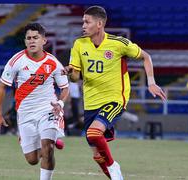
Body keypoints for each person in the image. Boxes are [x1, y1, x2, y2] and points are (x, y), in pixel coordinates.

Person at [64, 6, 167, 180]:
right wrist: (69, 72)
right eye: (83, 21)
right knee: (97, 153)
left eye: (86, 22)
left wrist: (151, 82)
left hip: (115, 99)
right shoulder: (79, 44)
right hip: (90, 102)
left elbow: (146, 57)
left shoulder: (119, 44)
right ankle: (115, 176)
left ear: (99, 24)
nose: (83, 25)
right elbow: (75, 78)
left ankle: (113, 166)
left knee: (94, 134)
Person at [0, 23, 69, 180]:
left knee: (48, 149)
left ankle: (50, 143)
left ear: (44, 40)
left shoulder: (53, 63)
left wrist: (60, 104)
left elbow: (65, 88)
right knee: (32, 160)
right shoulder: (16, 61)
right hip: (25, 113)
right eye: (28, 38)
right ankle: (49, 142)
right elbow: (1, 87)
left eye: (35, 38)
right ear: (25, 41)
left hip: (48, 110)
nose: (32, 41)